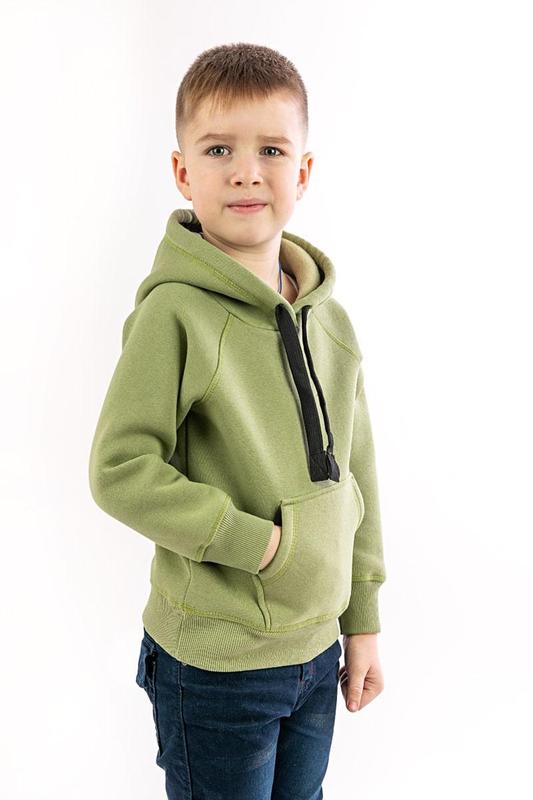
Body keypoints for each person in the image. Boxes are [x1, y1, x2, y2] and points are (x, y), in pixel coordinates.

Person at [88, 41, 387, 800]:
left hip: (316, 655)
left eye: (271, 150)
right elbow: (120, 470)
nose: (247, 172)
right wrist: (259, 546)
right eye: (219, 149)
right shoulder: (174, 315)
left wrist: (361, 618)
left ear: (303, 172)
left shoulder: (329, 321)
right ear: (182, 171)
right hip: (216, 668)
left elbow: (357, 473)